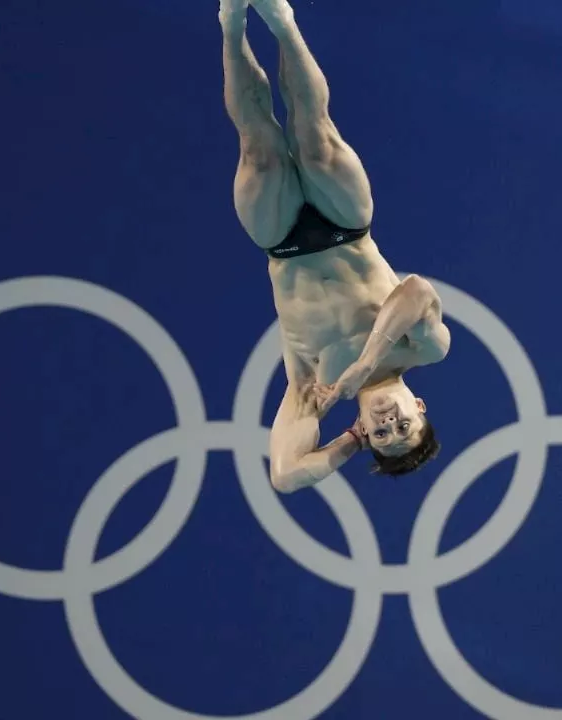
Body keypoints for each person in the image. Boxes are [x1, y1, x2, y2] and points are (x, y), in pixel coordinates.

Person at [220, 0, 451, 493]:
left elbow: (284, 477)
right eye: (404, 426)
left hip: (281, 241)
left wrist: (348, 439)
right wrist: (364, 366)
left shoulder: (311, 393)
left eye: (383, 434)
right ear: (419, 406)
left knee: (257, 148)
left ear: (368, 431)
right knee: (314, 135)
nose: (390, 423)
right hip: (346, 225)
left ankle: (232, 22)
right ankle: (283, 24)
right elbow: (416, 291)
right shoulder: (426, 349)